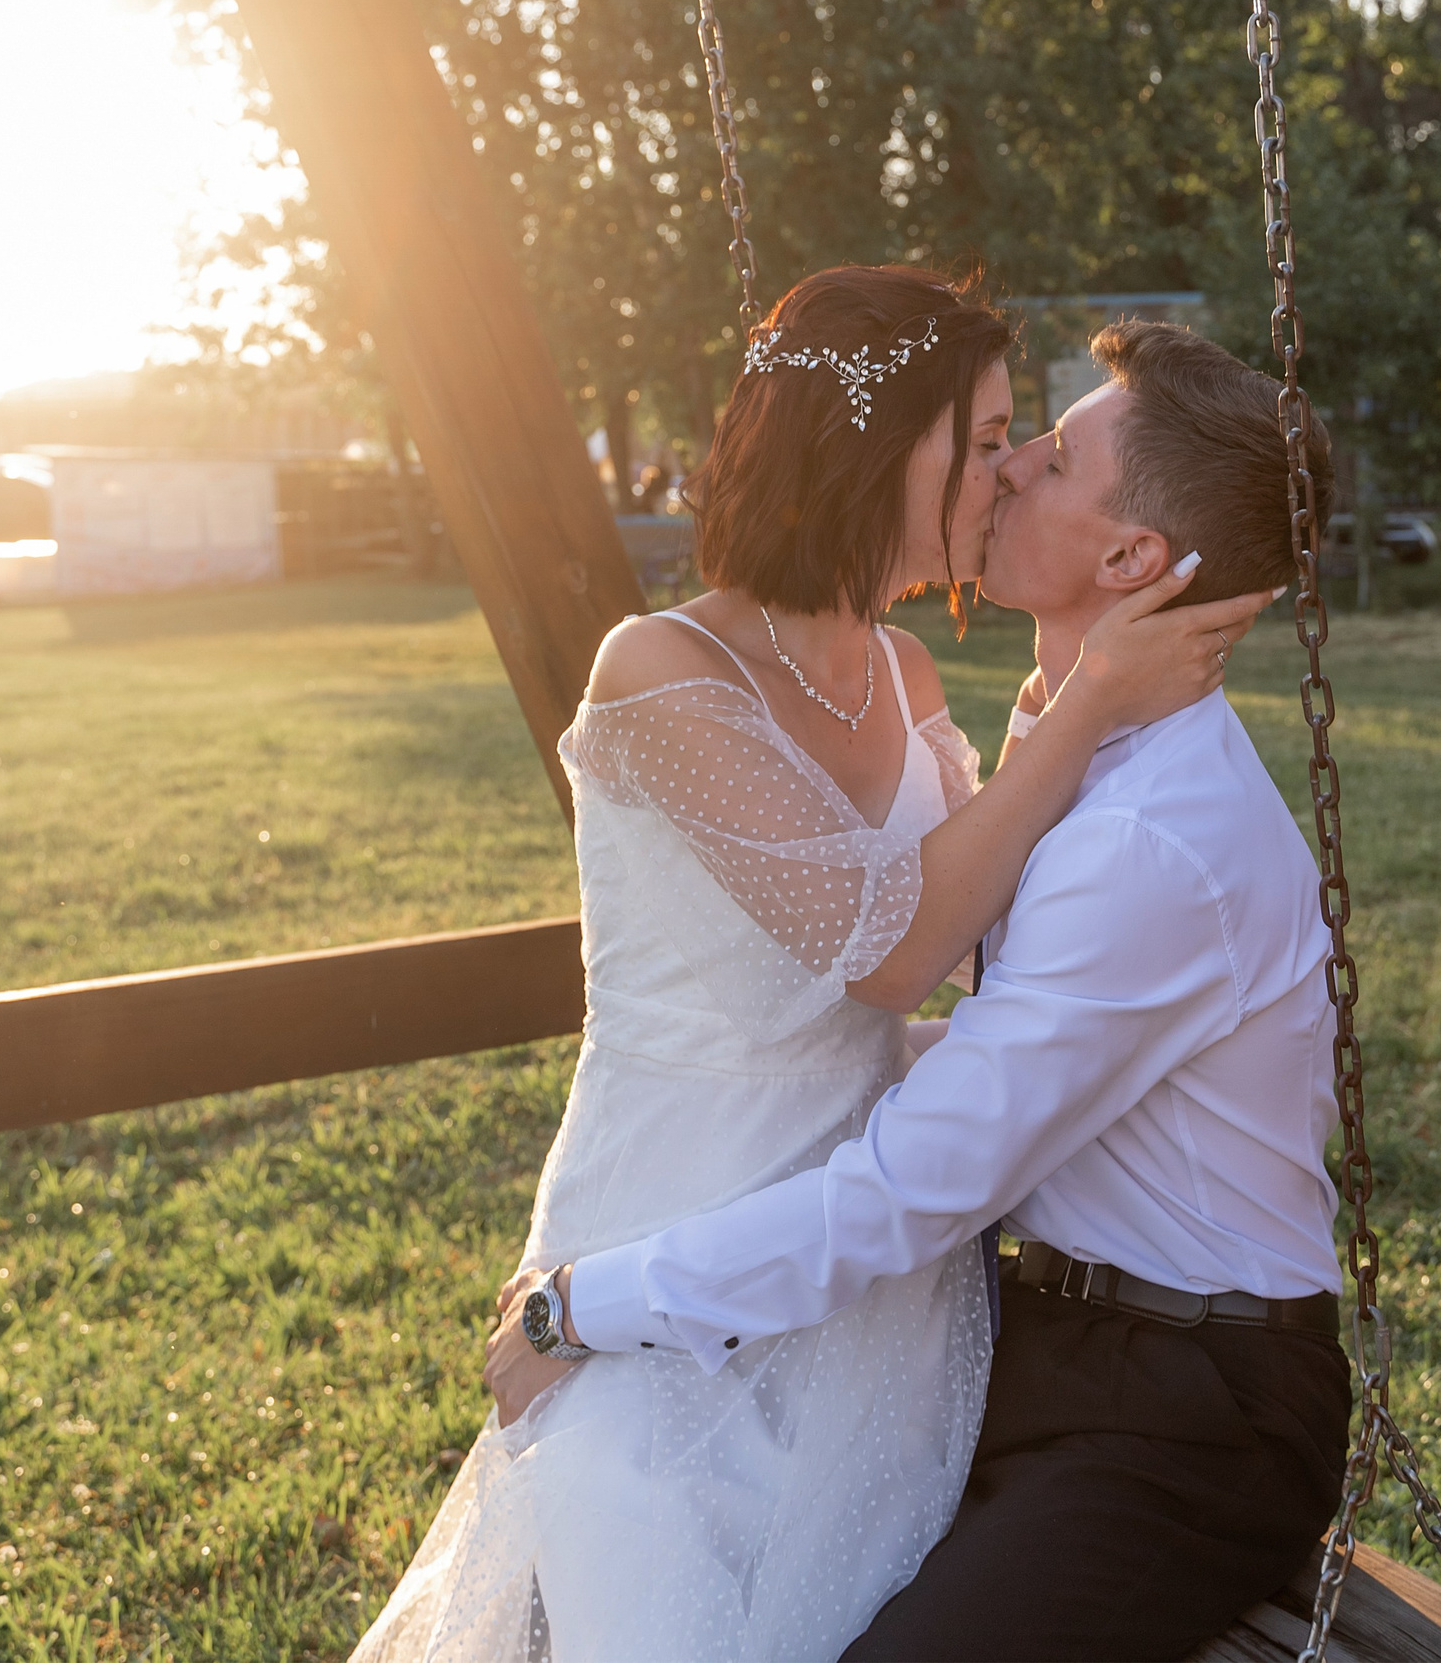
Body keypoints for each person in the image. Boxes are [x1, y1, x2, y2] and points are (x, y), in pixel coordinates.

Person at [352, 272, 1271, 1663]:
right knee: (651, 1601)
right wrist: (1089, 704)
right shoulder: (661, 670)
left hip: (871, 1268)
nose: (1007, 474)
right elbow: (889, 950)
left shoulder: (904, 675)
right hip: (672, 1211)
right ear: (874, 449)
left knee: (831, 1609)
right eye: (984, 441)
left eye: (1019, 441)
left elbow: (978, 955)